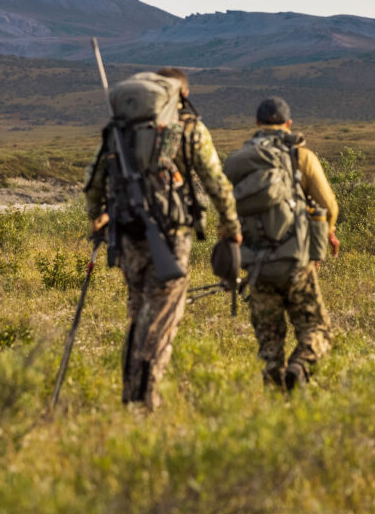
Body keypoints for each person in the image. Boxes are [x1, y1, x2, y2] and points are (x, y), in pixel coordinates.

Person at [83, 67, 240, 410]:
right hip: (170, 237)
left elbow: (93, 182)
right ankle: (144, 402)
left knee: (139, 313)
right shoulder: (187, 128)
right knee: (162, 319)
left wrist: (98, 220)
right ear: (181, 94)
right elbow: (216, 181)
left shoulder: (120, 130)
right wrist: (230, 226)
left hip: (127, 237)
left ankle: (130, 396)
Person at [226, 96, 338, 392]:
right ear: (288, 124)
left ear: (256, 123)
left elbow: (226, 212)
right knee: (317, 330)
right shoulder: (301, 157)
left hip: (256, 265)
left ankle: (276, 392)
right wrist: (329, 231)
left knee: (270, 344)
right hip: (296, 261)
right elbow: (329, 204)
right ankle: (300, 368)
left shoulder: (237, 162)